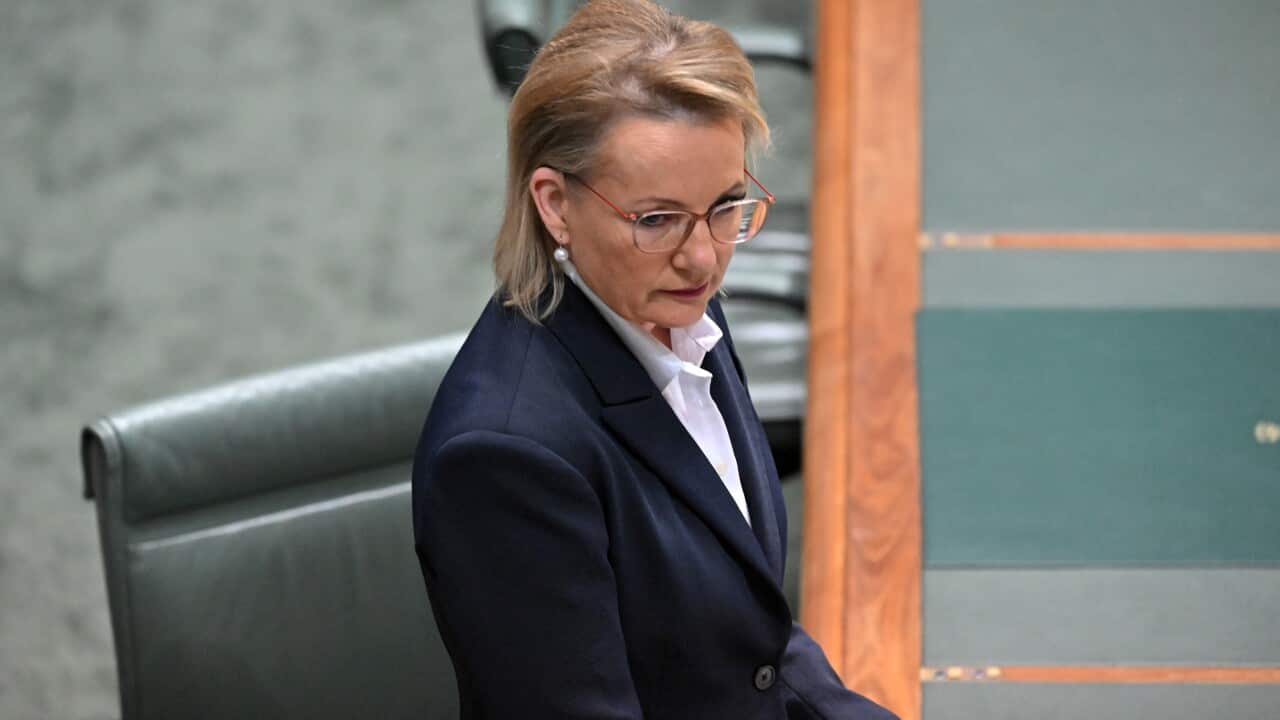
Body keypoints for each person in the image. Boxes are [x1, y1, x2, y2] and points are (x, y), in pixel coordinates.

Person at [412, 1, 898, 717]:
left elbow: (754, 646)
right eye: (656, 218)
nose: (704, 256)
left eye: (728, 205)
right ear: (554, 203)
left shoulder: (672, 297)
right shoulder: (507, 460)